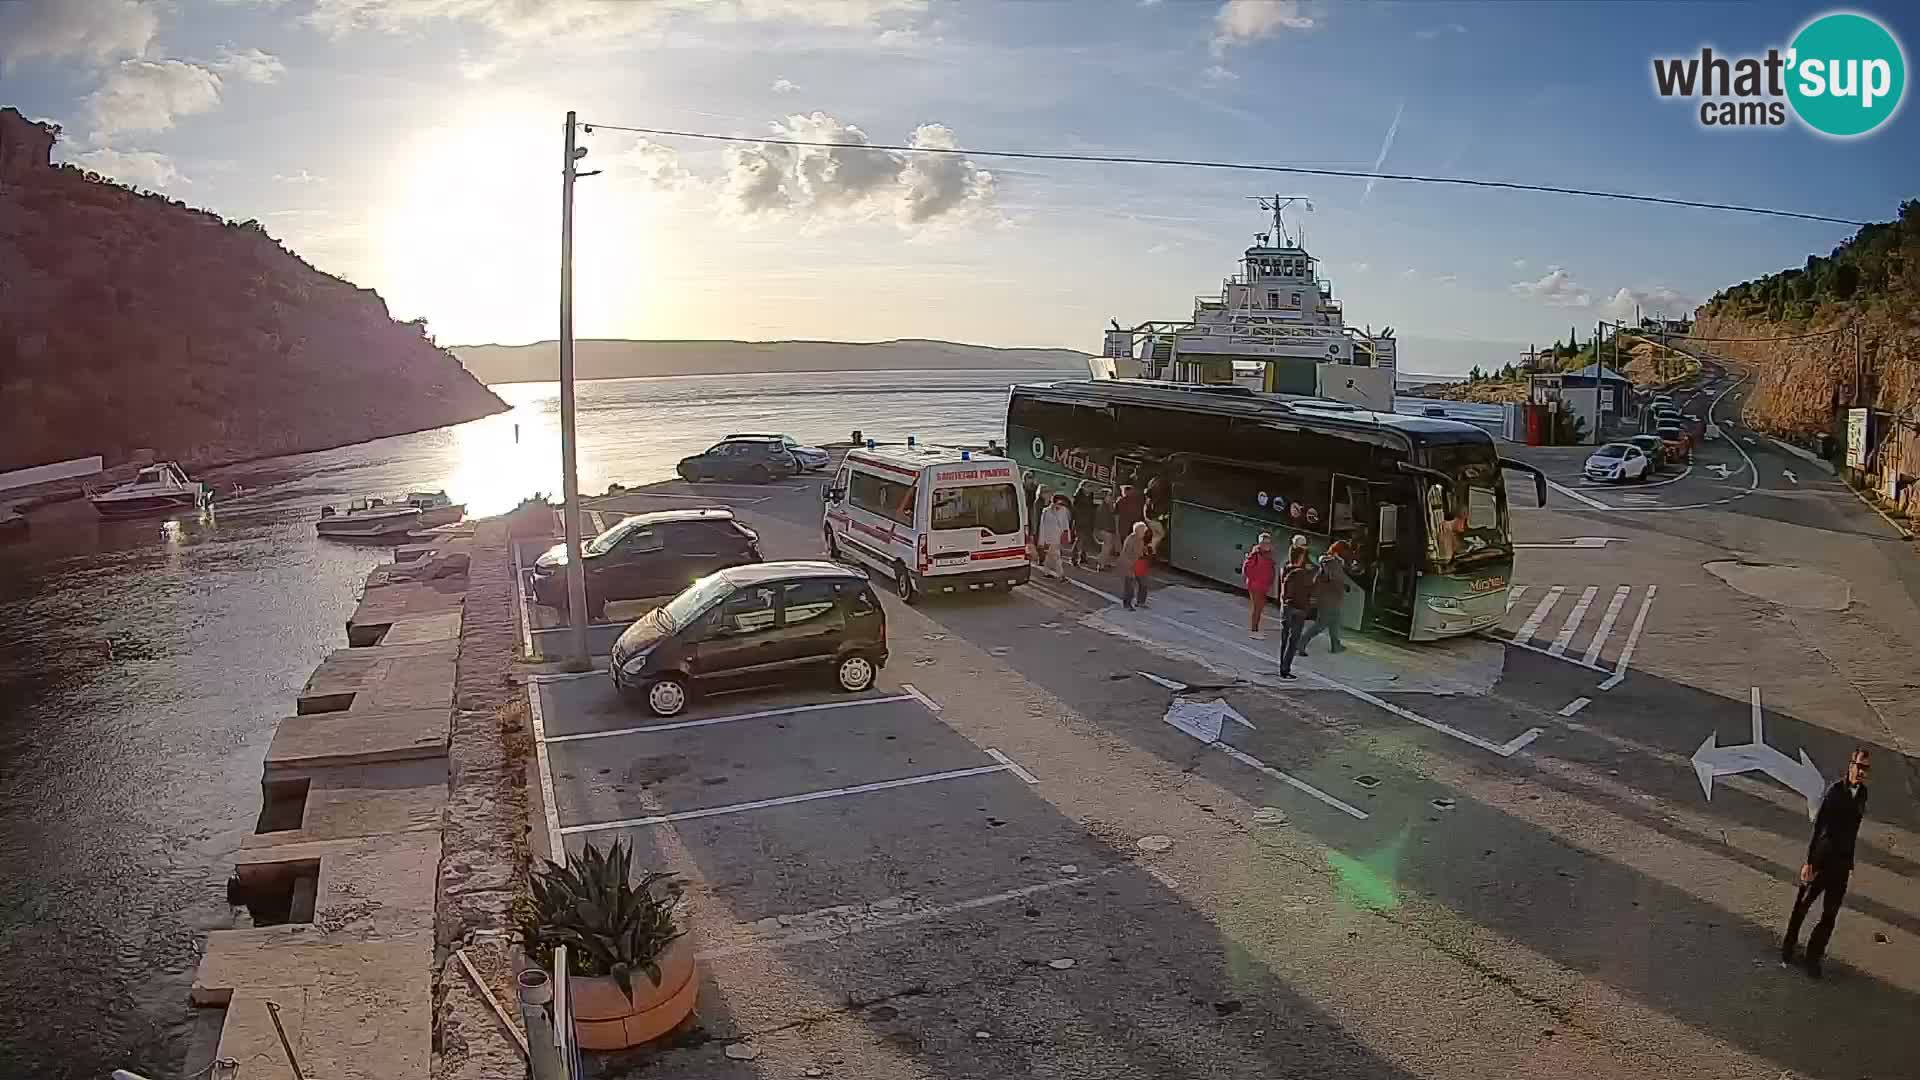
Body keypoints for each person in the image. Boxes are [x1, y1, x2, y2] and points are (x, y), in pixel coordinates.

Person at [1782, 748, 1871, 978]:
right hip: (1822, 860)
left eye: (1865, 768)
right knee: (1802, 905)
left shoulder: (1863, 794)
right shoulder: (1835, 792)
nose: (1861, 772)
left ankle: (1813, 958)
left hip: (1841, 866)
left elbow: (1854, 830)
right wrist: (1810, 862)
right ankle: (1788, 948)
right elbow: (1819, 827)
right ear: (1850, 766)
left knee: (1829, 915)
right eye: (1858, 766)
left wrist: (1850, 861)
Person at [1299, 540, 1354, 655]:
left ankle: (1335, 645)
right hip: (1328, 598)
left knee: (1335, 621)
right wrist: (1344, 586)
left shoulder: (1332, 562)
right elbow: (1334, 579)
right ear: (1341, 551)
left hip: (1331, 597)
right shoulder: (1331, 562)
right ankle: (1300, 644)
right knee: (1321, 624)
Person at [1276, 540, 1314, 679]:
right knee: (1293, 641)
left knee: (1285, 639)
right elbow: (1306, 590)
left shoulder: (1286, 568)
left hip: (1286, 608)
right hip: (1297, 608)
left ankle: (1283, 667)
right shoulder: (1300, 573)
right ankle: (1285, 669)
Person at [1241, 532, 1275, 636]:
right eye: (1264, 543)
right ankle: (1254, 629)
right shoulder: (1255, 554)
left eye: (1268, 543)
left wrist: (1270, 581)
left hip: (1264, 585)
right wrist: (1254, 579)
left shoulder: (1269, 555)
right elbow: (1246, 569)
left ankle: (1255, 627)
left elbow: (1271, 570)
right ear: (1260, 544)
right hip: (1255, 585)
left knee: (1260, 607)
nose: (1267, 545)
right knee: (1257, 607)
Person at [1036, 492, 1073, 579]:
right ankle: (1061, 575)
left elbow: (1065, 525)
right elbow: (1042, 526)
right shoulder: (1046, 511)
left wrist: (1067, 537)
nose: (1060, 505)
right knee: (1057, 556)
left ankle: (1046, 571)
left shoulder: (1063, 511)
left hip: (1058, 537)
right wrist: (1041, 541)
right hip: (1049, 538)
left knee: (1050, 555)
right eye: (1059, 503)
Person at [1119, 521, 1153, 610]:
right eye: (1143, 531)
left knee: (1144, 583)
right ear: (1138, 531)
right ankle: (1127, 604)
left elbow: (1142, 551)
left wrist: (1146, 551)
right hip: (1129, 564)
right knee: (1129, 586)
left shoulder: (1140, 539)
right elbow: (1126, 555)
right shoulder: (1130, 540)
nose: (1145, 533)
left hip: (1138, 563)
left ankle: (1140, 602)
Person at [1071, 482, 1097, 568]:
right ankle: (1073, 558)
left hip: (1088, 521)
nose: (1090, 489)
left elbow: (1091, 508)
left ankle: (1083, 556)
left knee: (1086, 539)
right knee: (1079, 540)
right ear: (1083, 487)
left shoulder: (1090, 496)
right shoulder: (1078, 497)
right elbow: (1075, 511)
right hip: (1080, 522)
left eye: (1091, 487)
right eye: (1088, 486)